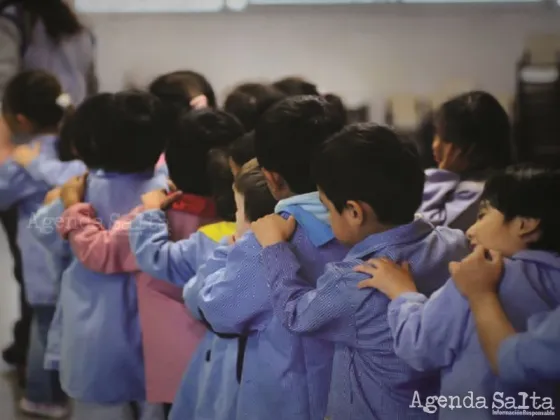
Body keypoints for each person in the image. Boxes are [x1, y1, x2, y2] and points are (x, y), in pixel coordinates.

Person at [251, 123, 470, 420]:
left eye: (328, 208)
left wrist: (274, 247)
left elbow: (295, 313)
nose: (328, 217)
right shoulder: (455, 245)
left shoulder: (357, 279)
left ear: (355, 212)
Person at [55, 108, 243, 412]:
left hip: (171, 363)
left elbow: (97, 251)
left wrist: (73, 205)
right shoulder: (249, 221)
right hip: (229, 368)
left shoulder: (155, 218)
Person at [357, 164, 560, 419]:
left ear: (525, 224)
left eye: (482, 215)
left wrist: (402, 293)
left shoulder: (481, 278)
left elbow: (420, 345)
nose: (469, 231)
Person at [191, 96, 346, 420]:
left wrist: (233, 243)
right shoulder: (367, 221)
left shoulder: (267, 242)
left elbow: (216, 307)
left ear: (271, 178)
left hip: (292, 402)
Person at [50, 91, 168, 420]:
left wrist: (66, 203)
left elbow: (45, 233)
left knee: (99, 410)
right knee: (153, 404)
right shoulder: (169, 190)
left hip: (96, 327)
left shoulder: (79, 189)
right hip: (157, 328)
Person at [136, 158, 277, 420]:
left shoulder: (219, 241)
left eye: (238, 210)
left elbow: (197, 298)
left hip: (227, 376)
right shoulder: (295, 253)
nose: (234, 216)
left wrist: (150, 214)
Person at [0, 0, 95, 373]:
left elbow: (4, 82)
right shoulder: (79, 29)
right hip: (71, 138)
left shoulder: (14, 22)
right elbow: (91, 82)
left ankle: (39, 382)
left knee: (40, 305)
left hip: (24, 143)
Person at [0, 69, 86, 418]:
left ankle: (41, 395)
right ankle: (57, 391)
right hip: (78, 251)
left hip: (39, 256)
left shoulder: (26, 159)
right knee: (57, 322)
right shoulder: (77, 145)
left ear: (19, 118)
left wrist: (21, 160)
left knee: (44, 322)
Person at [419, 91, 511, 232]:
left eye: (445, 139)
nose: (435, 145)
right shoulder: (464, 181)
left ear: (469, 149)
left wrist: (442, 175)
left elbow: (422, 231)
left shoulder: (477, 192)